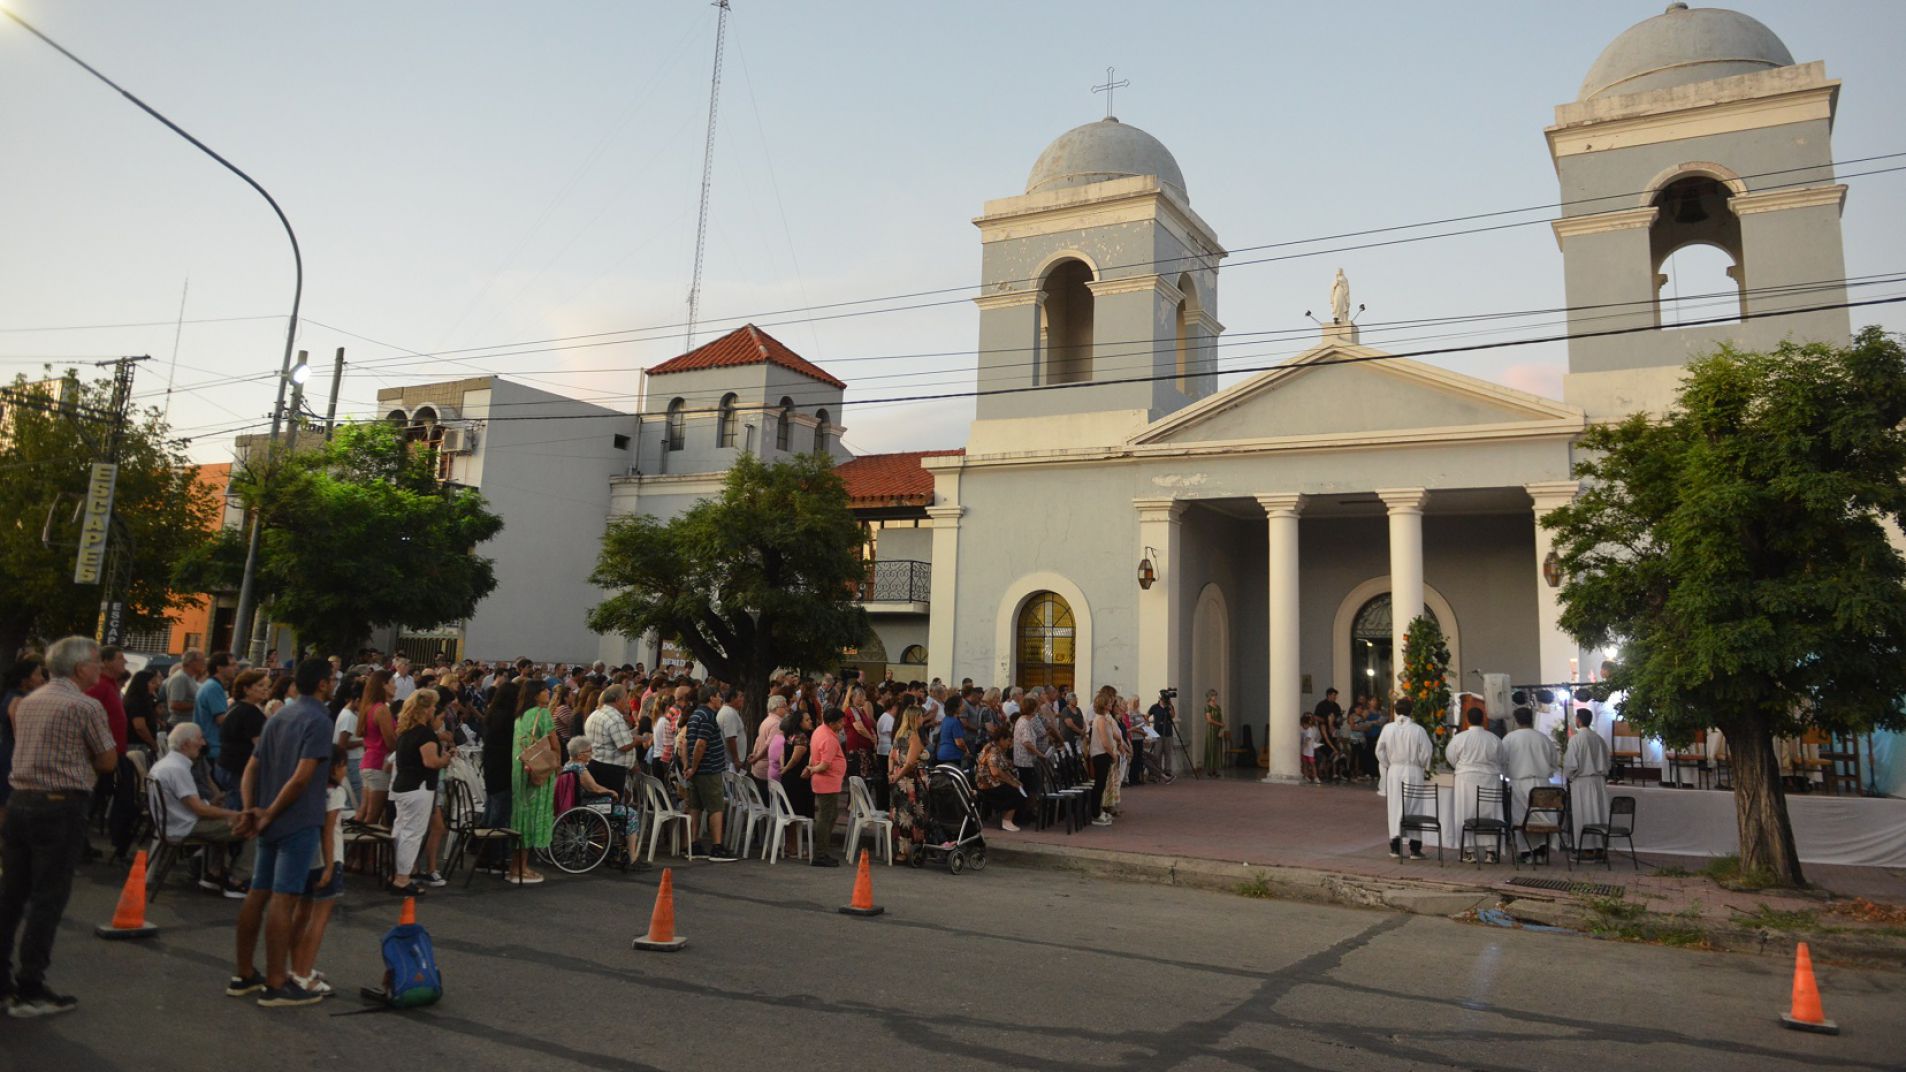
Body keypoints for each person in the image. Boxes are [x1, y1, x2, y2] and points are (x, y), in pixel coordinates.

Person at [0, 637, 116, 1017]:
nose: (99, 668)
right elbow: (108, 760)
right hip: (61, 803)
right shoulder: (85, 705)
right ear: (81, 667)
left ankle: (3, 981)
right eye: (96, 662)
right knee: (48, 897)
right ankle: (31, 987)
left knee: (12, 894)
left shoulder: (29, 701)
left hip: (20, 800)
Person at [231, 658, 334, 1008]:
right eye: (330, 679)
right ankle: (276, 982)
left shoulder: (279, 716)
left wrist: (251, 809)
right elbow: (303, 776)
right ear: (322, 683)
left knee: (258, 892)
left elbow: (252, 767)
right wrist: (271, 810)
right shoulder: (319, 719)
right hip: (297, 818)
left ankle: (245, 973)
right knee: (283, 897)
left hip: (267, 816)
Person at [149, 723, 248, 897]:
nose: (203, 743)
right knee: (252, 825)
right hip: (185, 826)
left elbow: (194, 805)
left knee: (227, 818)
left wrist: (214, 806)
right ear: (186, 744)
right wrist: (234, 814)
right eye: (200, 739)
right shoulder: (177, 769)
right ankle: (238, 879)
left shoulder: (165, 763)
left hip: (173, 823)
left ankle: (214, 873)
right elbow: (199, 809)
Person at [285, 746, 348, 998]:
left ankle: (298, 966)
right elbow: (328, 831)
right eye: (343, 766)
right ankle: (304, 973)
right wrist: (330, 865)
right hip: (327, 858)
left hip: (305, 858)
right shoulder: (336, 792)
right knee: (319, 919)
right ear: (335, 767)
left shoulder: (308, 789)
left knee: (301, 914)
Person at [561, 737, 647, 868]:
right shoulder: (580, 769)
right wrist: (611, 791)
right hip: (589, 804)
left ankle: (618, 851)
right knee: (631, 814)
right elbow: (595, 788)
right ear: (580, 755)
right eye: (589, 751)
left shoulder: (568, 766)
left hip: (581, 803)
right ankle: (632, 857)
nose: (591, 754)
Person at [681, 686, 736, 861]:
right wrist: (694, 767)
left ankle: (693, 843)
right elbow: (700, 744)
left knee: (695, 807)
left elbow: (685, 742)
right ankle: (717, 846)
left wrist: (688, 765)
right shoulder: (708, 716)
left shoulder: (695, 715)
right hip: (708, 769)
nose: (721, 700)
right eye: (719, 696)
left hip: (697, 770)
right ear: (712, 698)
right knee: (716, 807)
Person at [1444, 708, 1505, 863]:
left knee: (1466, 812)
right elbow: (1502, 758)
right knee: (1490, 813)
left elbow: (1451, 757)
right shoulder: (1493, 739)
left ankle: (1469, 851)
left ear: (1467, 720)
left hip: (1466, 778)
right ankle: (1490, 851)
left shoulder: (1460, 738)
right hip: (1490, 779)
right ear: (1483, 719)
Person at [1376, 698, 1433, 860]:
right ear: (1411, 711)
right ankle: (1415, 848)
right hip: (1413, 770)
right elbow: (1427, 752)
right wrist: (1421, 765)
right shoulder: (1418, 730)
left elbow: (1379, 750)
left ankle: (1395, 847)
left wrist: (1388, 763)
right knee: (1414, 807)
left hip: (1395, 770)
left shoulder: (1388, 728)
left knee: (1395, 807)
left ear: (1395, 711)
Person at [509, 682, 555, 884]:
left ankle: (515, 865)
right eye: (545, 690)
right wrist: (557, 764)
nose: (549, 692)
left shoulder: (520, 715)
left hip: (520, 768)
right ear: (536, 695)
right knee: (533, 815)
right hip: (538, 769)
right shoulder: (542, 713)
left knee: (520, 815)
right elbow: (554, 743)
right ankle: (522, 867)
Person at [1501, 706, 1559, 861]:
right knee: (1542, 816)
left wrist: (1507, 774)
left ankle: (1527, 852)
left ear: (1516, 720)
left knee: (1522, 817)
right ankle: (1540, 850)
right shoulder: (1543, 738)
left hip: (1519, 783)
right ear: (1531, 719)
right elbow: (1554, 762)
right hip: (1542, 783)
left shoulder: (1509, 739)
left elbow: (1502, 761)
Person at [1564, 708, 1613, 860]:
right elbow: (1607, 763)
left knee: (1584, 815)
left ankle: (1586, 849)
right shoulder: (1599, 739)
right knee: (1598, 814)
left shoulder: (1576, 740)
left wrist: (1569, 776)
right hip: (1598, 781)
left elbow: (1571, 764)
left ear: (1579, 720)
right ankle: (1600, 847)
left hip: (1582, 782)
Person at [219, 669, 271, 808]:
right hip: (239, 769)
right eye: (260, 685)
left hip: (227, 766)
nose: (265, 689)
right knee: (241, 810)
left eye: (267, 685)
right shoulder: (250, 712)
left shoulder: (236, 707)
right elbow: (260, 747)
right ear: (246, 689)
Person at [887, 705, 929, 863]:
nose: (923, 720)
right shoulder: (914, 737)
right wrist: (898, 777)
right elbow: (910, 763)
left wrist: (891, 774)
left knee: (899, 814)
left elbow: (891, 757)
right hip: (909, 781)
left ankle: (898, 850)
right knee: (910, 815)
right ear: (915, 718)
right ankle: (907, 851)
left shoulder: (899, 734)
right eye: (921, 717)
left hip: (897, 781)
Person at [354, 671, 395, 829]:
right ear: (383, 685)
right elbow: (390, 741)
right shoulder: (381, 709)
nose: (395, 686)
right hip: (379, 762)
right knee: (373, 814)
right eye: (392, 682)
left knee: (364, 810)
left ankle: (355, 850)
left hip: (368, 761)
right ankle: (363, 849)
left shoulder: (369, 707)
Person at [806, 708, 847, 867]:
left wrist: (811, 766)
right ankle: (820, 854)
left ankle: (823, 850)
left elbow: (813, 754)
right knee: (826, 817)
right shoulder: (828, 738)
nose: (843, 724)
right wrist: (812, 769)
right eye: (840, 721)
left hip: (828, 782)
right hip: (827, 782)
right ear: (832, 723)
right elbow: (824, 764)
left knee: (831, 814)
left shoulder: (819, 730)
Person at [583, 684, 639, 798]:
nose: (628, 702)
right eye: (626, 698)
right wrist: (639, 740)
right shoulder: (614, 717)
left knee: (600, 803)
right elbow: (624, 746)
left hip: (596, 764)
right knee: (612, 805)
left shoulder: (595, 713)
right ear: (618, 700)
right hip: (611, 770)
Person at [775, 706, 814, 858]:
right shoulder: (801, 737)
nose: (810, 721)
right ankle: (794, 847)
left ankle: (790, 845)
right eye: (807, 720)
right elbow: (796, 757)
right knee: (795, 814)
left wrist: (783, 768)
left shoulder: (790, 736)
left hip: (789, 779)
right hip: (797, 780)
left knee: (790, 814)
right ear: (799, 722)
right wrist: (785, 769)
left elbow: (783, 753)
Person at [975, 723, 1026, 832]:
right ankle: (1006, 820)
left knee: (1018, 788)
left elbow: (1004, 769)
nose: (1009, 743)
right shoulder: (993, 750)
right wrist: (1011, 783)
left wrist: (1014, 780)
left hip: (994, 781)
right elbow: (995, 772)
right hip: (987, 784)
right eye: (1008, 741)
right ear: (1002, 739)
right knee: (1015, 793)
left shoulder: (999, 749)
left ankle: (1009, 817)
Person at [193, 651, 235, 772]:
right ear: (219, 668)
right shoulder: (213, 687)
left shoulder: (212, 686)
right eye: (231, 665)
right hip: (213, 747)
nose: (235, 668)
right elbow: (221, 719)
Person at [1087, 694, 1123, 826]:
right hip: (1101, 755)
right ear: (1103, 705)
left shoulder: (1104, 719)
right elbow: (1105, 741)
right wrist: (1112, 755)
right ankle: (1095, 814)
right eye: (1108, 703)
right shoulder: (1100, 720)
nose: (1111, 705)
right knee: (1099, 785)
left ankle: (1098, 811)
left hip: (1103, 755)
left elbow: (1113, 735)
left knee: (1101, 785)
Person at [748, 694, 786, 805]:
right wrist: (756, 757)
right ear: (776, 708)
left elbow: (758, 740)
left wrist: (755, 754)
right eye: (784, 707)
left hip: (759, 764)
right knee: (769, 803)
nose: (786, 709)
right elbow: (768, 745)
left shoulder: (767, 720)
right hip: (766, 766)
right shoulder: (777, 723)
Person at [164, 649, 204, 731]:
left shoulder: (190, 678)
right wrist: (200, 704)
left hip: (188, 724)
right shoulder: (180, 678)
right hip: (179, 726)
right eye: (201, 660)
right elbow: (175, 704)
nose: (204, 663)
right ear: (192, 662)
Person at [715, 686, 747, 774]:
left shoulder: (729, 711)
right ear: (733, 698)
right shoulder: (729, 714)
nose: (743, 699)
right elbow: (730, 738)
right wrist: (736, 760)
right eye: (741, 696)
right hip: (731, 763)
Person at [1147, 691, 1176, 778]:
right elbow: (1146, 716)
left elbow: (1173, 716)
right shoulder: (1154, 707)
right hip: (1157, 733)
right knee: (1157, 753)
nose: (1165, 700)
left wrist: (1170, 706)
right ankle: (1157, 771)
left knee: (1168, 753)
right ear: (1160, 698)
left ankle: (1168, 771)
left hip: (1168, 733)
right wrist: (1149, 730)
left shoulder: (1169, 707)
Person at [1201, 689, 1226, 777]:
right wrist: (1220, 724)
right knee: (1211, 748)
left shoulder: (1218, 707)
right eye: (1213, 695)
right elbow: (1209, 720)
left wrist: (1222, 726)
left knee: (1216, 749)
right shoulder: (1207, 707)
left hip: (1218, 729)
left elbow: (1220, 717)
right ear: (1209, 697)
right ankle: (1210, 769)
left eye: (1215, 695)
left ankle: (1215, 769)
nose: (1214, 697)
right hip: (1211, 730)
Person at [1299, 714, 1320, 784]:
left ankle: (1316, 777)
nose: (1305, 726)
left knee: (1312, 764)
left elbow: (1307, 739)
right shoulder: (1301, 728)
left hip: (1309, 751)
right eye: (1303, 724)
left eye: (1306, 724)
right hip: (1304, 751)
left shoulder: (1310, 730)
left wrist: (1302, 748)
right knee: (1304, 764)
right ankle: (1306, 776)